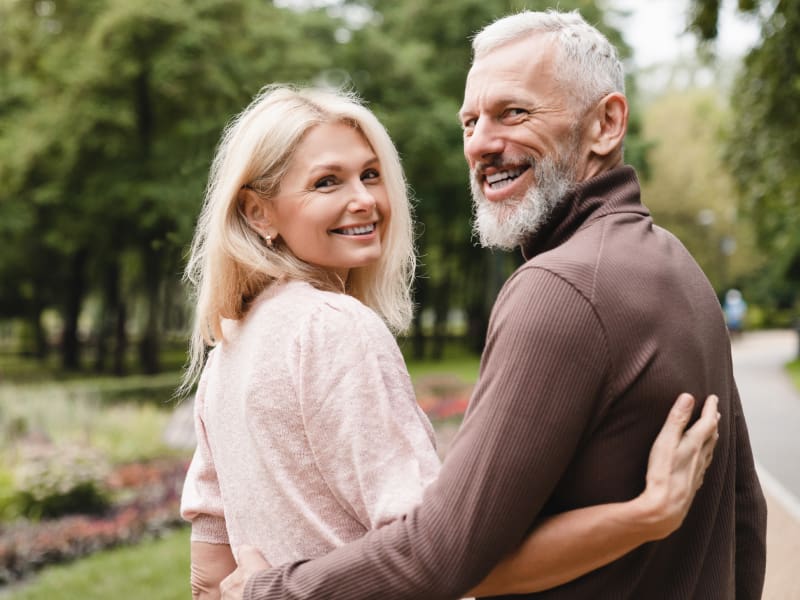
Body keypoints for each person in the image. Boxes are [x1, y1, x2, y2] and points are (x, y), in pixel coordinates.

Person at [223, 9, 767, 600]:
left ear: (606, 124)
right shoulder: (676, 266)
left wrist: (269, 592)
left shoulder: (561, 288)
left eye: (514, 112)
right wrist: (642, 516)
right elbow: (745, 515)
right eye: (470, 121)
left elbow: (440, 553)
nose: (481, 143)